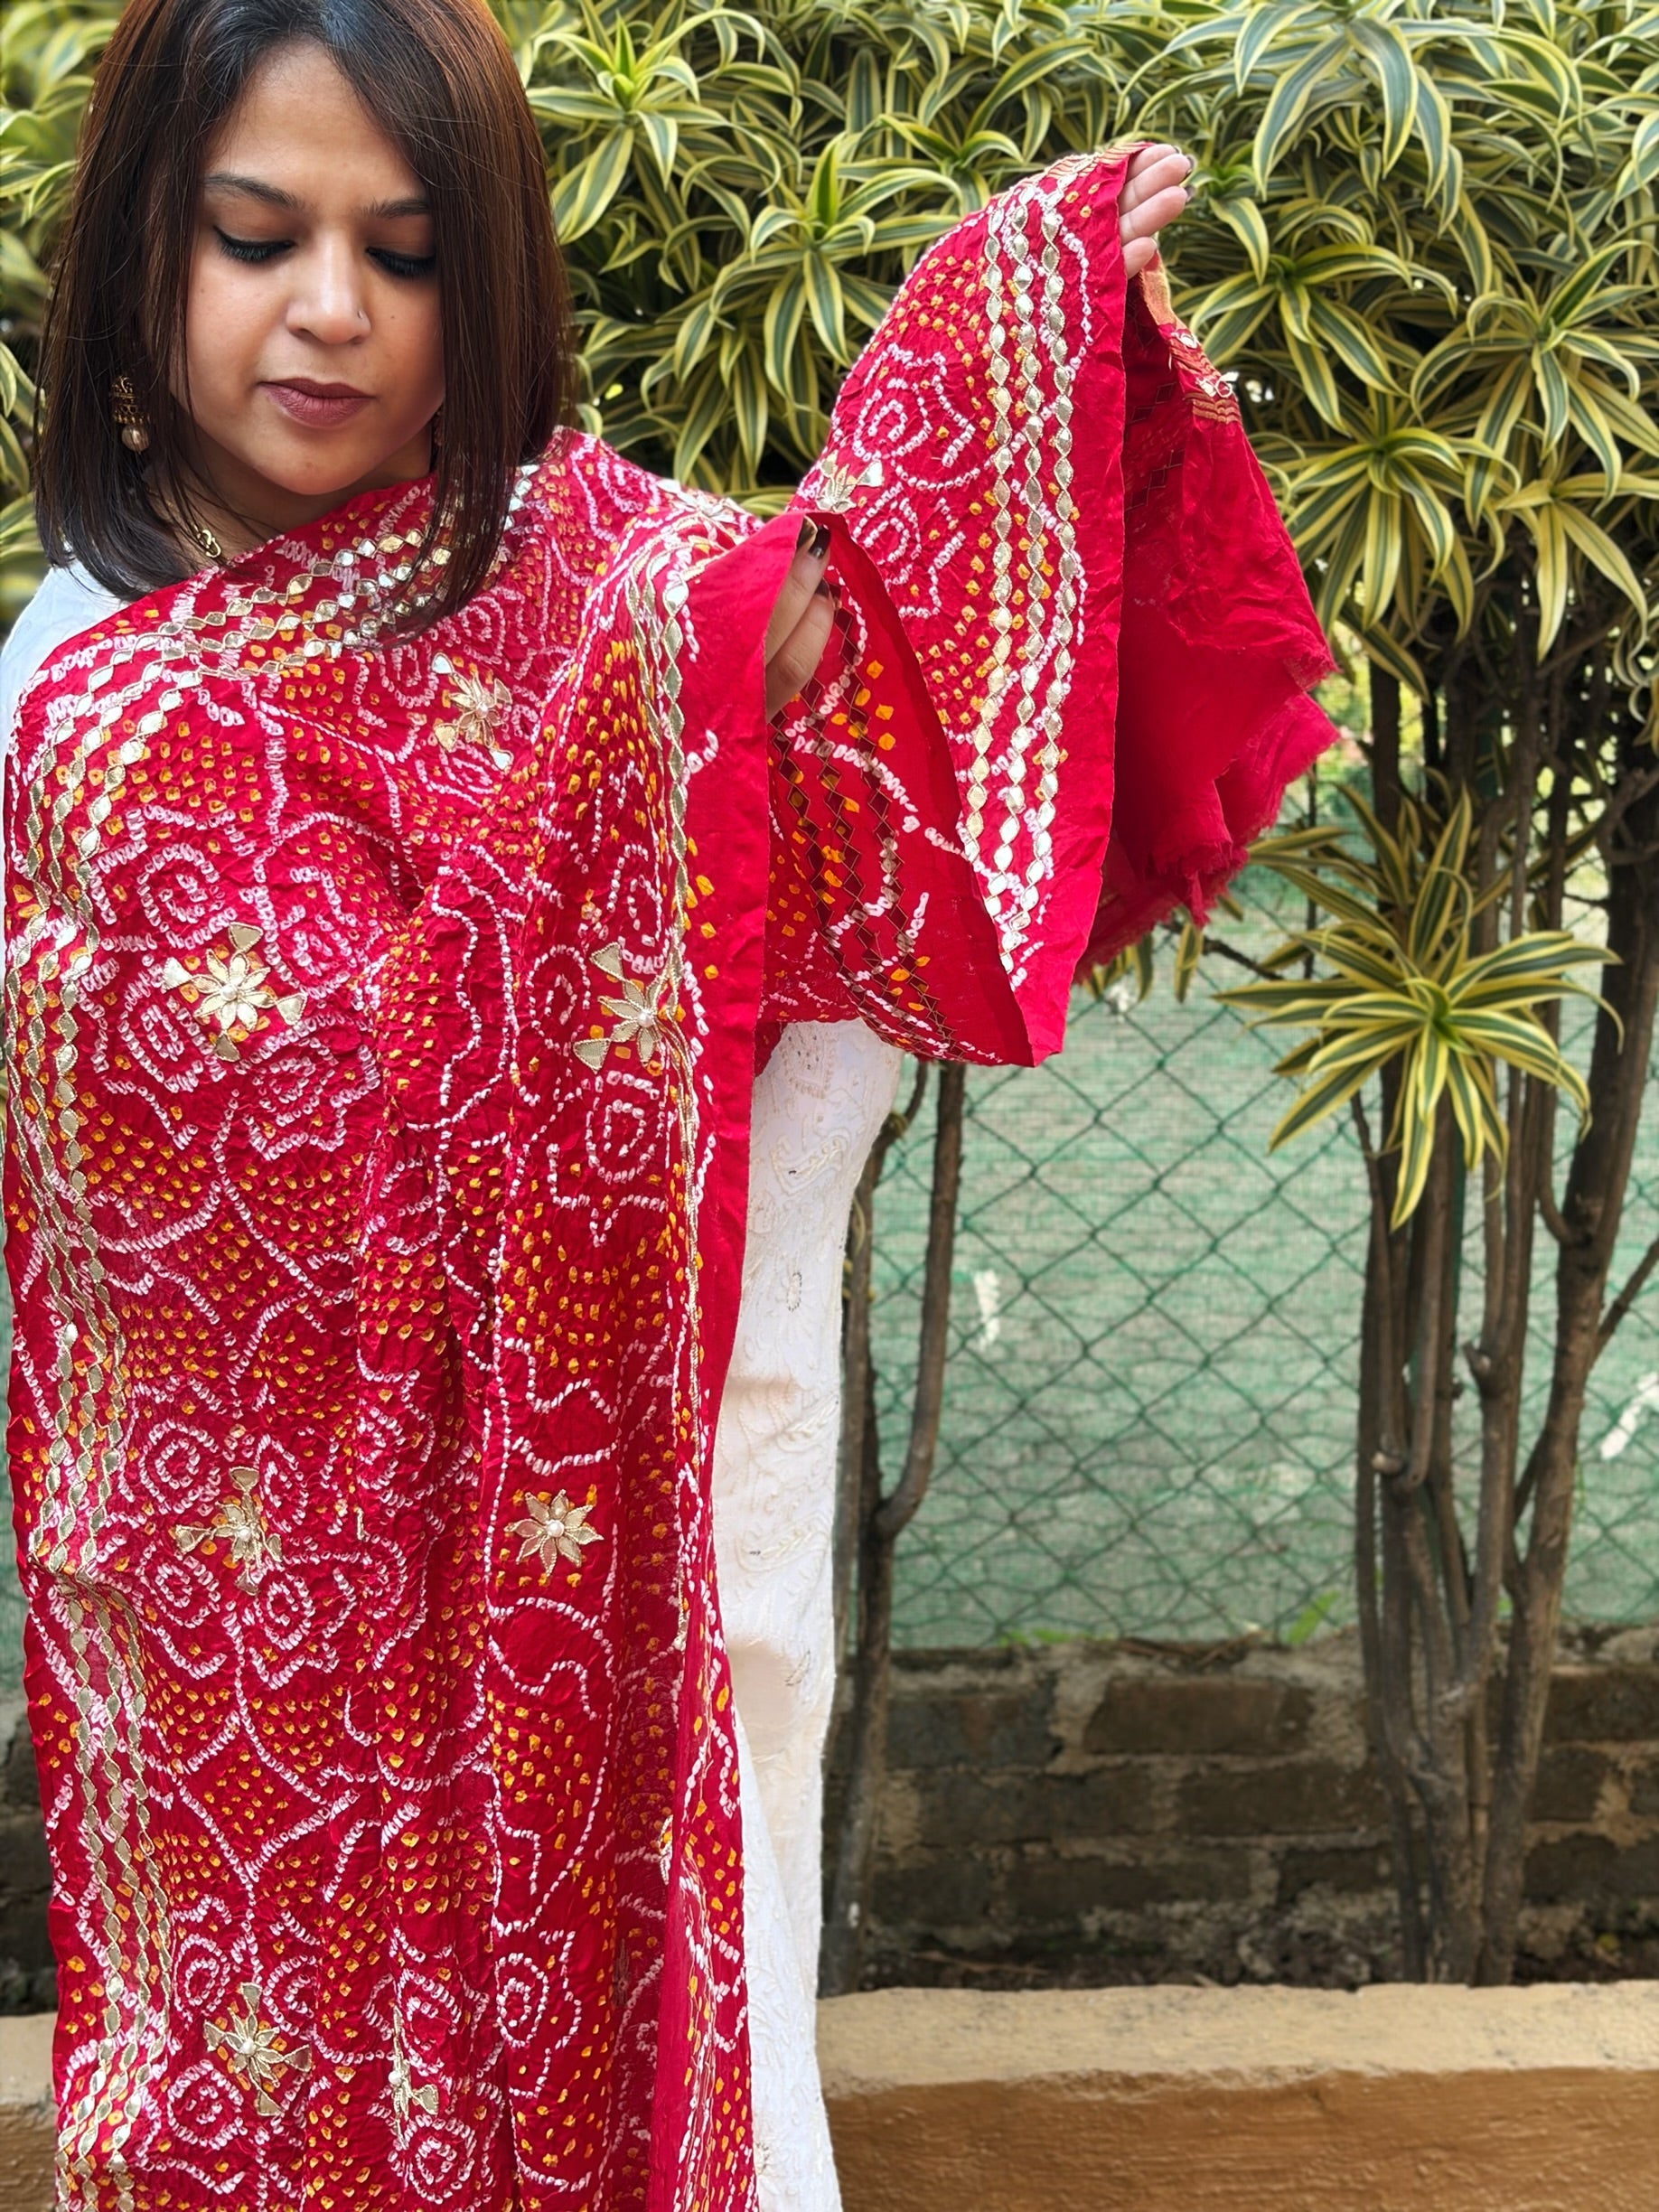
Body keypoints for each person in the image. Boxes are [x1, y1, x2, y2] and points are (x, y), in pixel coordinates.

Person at [0, 0, 1335, 2204]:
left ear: (492, 279)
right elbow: (212, 1132)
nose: (329, 312)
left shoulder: (587, 576)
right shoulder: (73, 689)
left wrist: (1036, 368)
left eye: (408, 254)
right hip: (235, 1626)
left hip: (610, 1595)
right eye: (257, 236)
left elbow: (872, 732)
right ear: (144, 249)